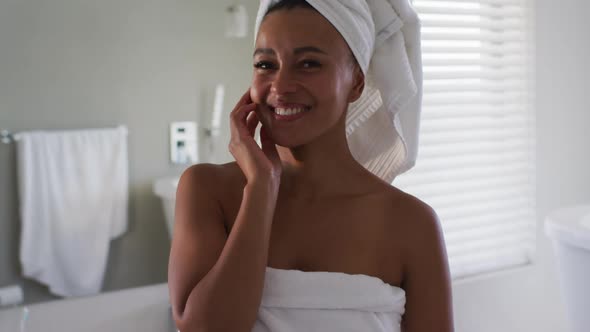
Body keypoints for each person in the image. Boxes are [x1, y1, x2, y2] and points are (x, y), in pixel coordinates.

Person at [168, 0, 454, 331]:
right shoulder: (207, 190)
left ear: (356, 83)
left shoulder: (411, 224)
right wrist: (261, 190)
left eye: (308, 64)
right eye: (265, 64)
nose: (280, 86)